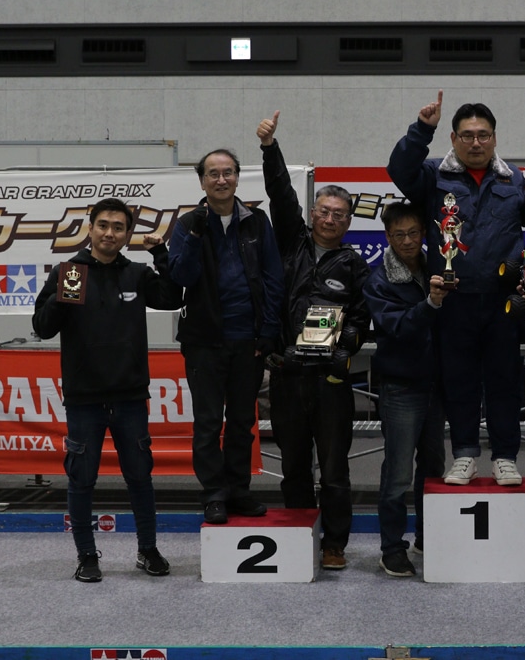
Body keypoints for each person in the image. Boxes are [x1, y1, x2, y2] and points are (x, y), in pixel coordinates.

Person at [387, 90, 525, 486]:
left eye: (483, 135)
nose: (475, 143)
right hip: (453, 298)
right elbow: (399, 171)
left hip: (503, 302)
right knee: (458, 380)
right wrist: (421, 129)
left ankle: (505, 457)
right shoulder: (433, 175)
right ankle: (464, 455)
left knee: (504, 382)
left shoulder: (512, 177)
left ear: (494, 138)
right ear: (453, 138)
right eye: (467, 135)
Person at [32, 198, 183, 582]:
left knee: (140, 477)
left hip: (130, 396)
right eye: (103, 225)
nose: (109, 233)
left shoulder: (136, 273)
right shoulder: (70, 272)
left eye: (118, 227)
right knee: (82, 479)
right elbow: (43, 327)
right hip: (84, 399)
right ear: (91, 228)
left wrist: (162, 255)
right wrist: (65, 293)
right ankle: (86, 555)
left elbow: (172, 299)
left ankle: (148, 549)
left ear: (127, 234)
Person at [257, 111, 371, 571]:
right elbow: (281, 195)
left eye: (338, 214)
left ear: (348, 221)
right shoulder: (291, 243)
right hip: (287, 377)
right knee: (294, 467)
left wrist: (346, 347)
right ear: (313, 214)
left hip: (330, 383)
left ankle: (334, 545)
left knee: (336, 469)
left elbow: (363, 319)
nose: (329, 219)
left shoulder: (356, 266)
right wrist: (270, 149)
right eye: (323, 211)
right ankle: (300, 537)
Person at [168, 149, 284, 525]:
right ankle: (214, 494)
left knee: (241, 423)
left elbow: (272, 278)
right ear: (202, 181)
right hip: (203, 342)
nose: (221, 180)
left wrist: (268, 331)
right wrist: (194, 235)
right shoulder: (187, 224)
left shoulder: (256, 221)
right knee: (207, 425)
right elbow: (180, 277)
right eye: (213, 174)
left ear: (237, 177)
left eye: (228, 172)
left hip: (248, 340)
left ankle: (238, 490)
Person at [363, 202, 449, 578]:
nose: (409, 240)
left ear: (424, 233)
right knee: (398, 473)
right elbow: (397, 328)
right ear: (387, 237)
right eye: (399, 235)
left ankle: (427, 537)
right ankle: (391, 548)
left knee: (432, 469)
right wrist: (431, 304)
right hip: (400, 387)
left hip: (436, 384)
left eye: (414, 232)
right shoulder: (378, 280)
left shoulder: (440, 267)